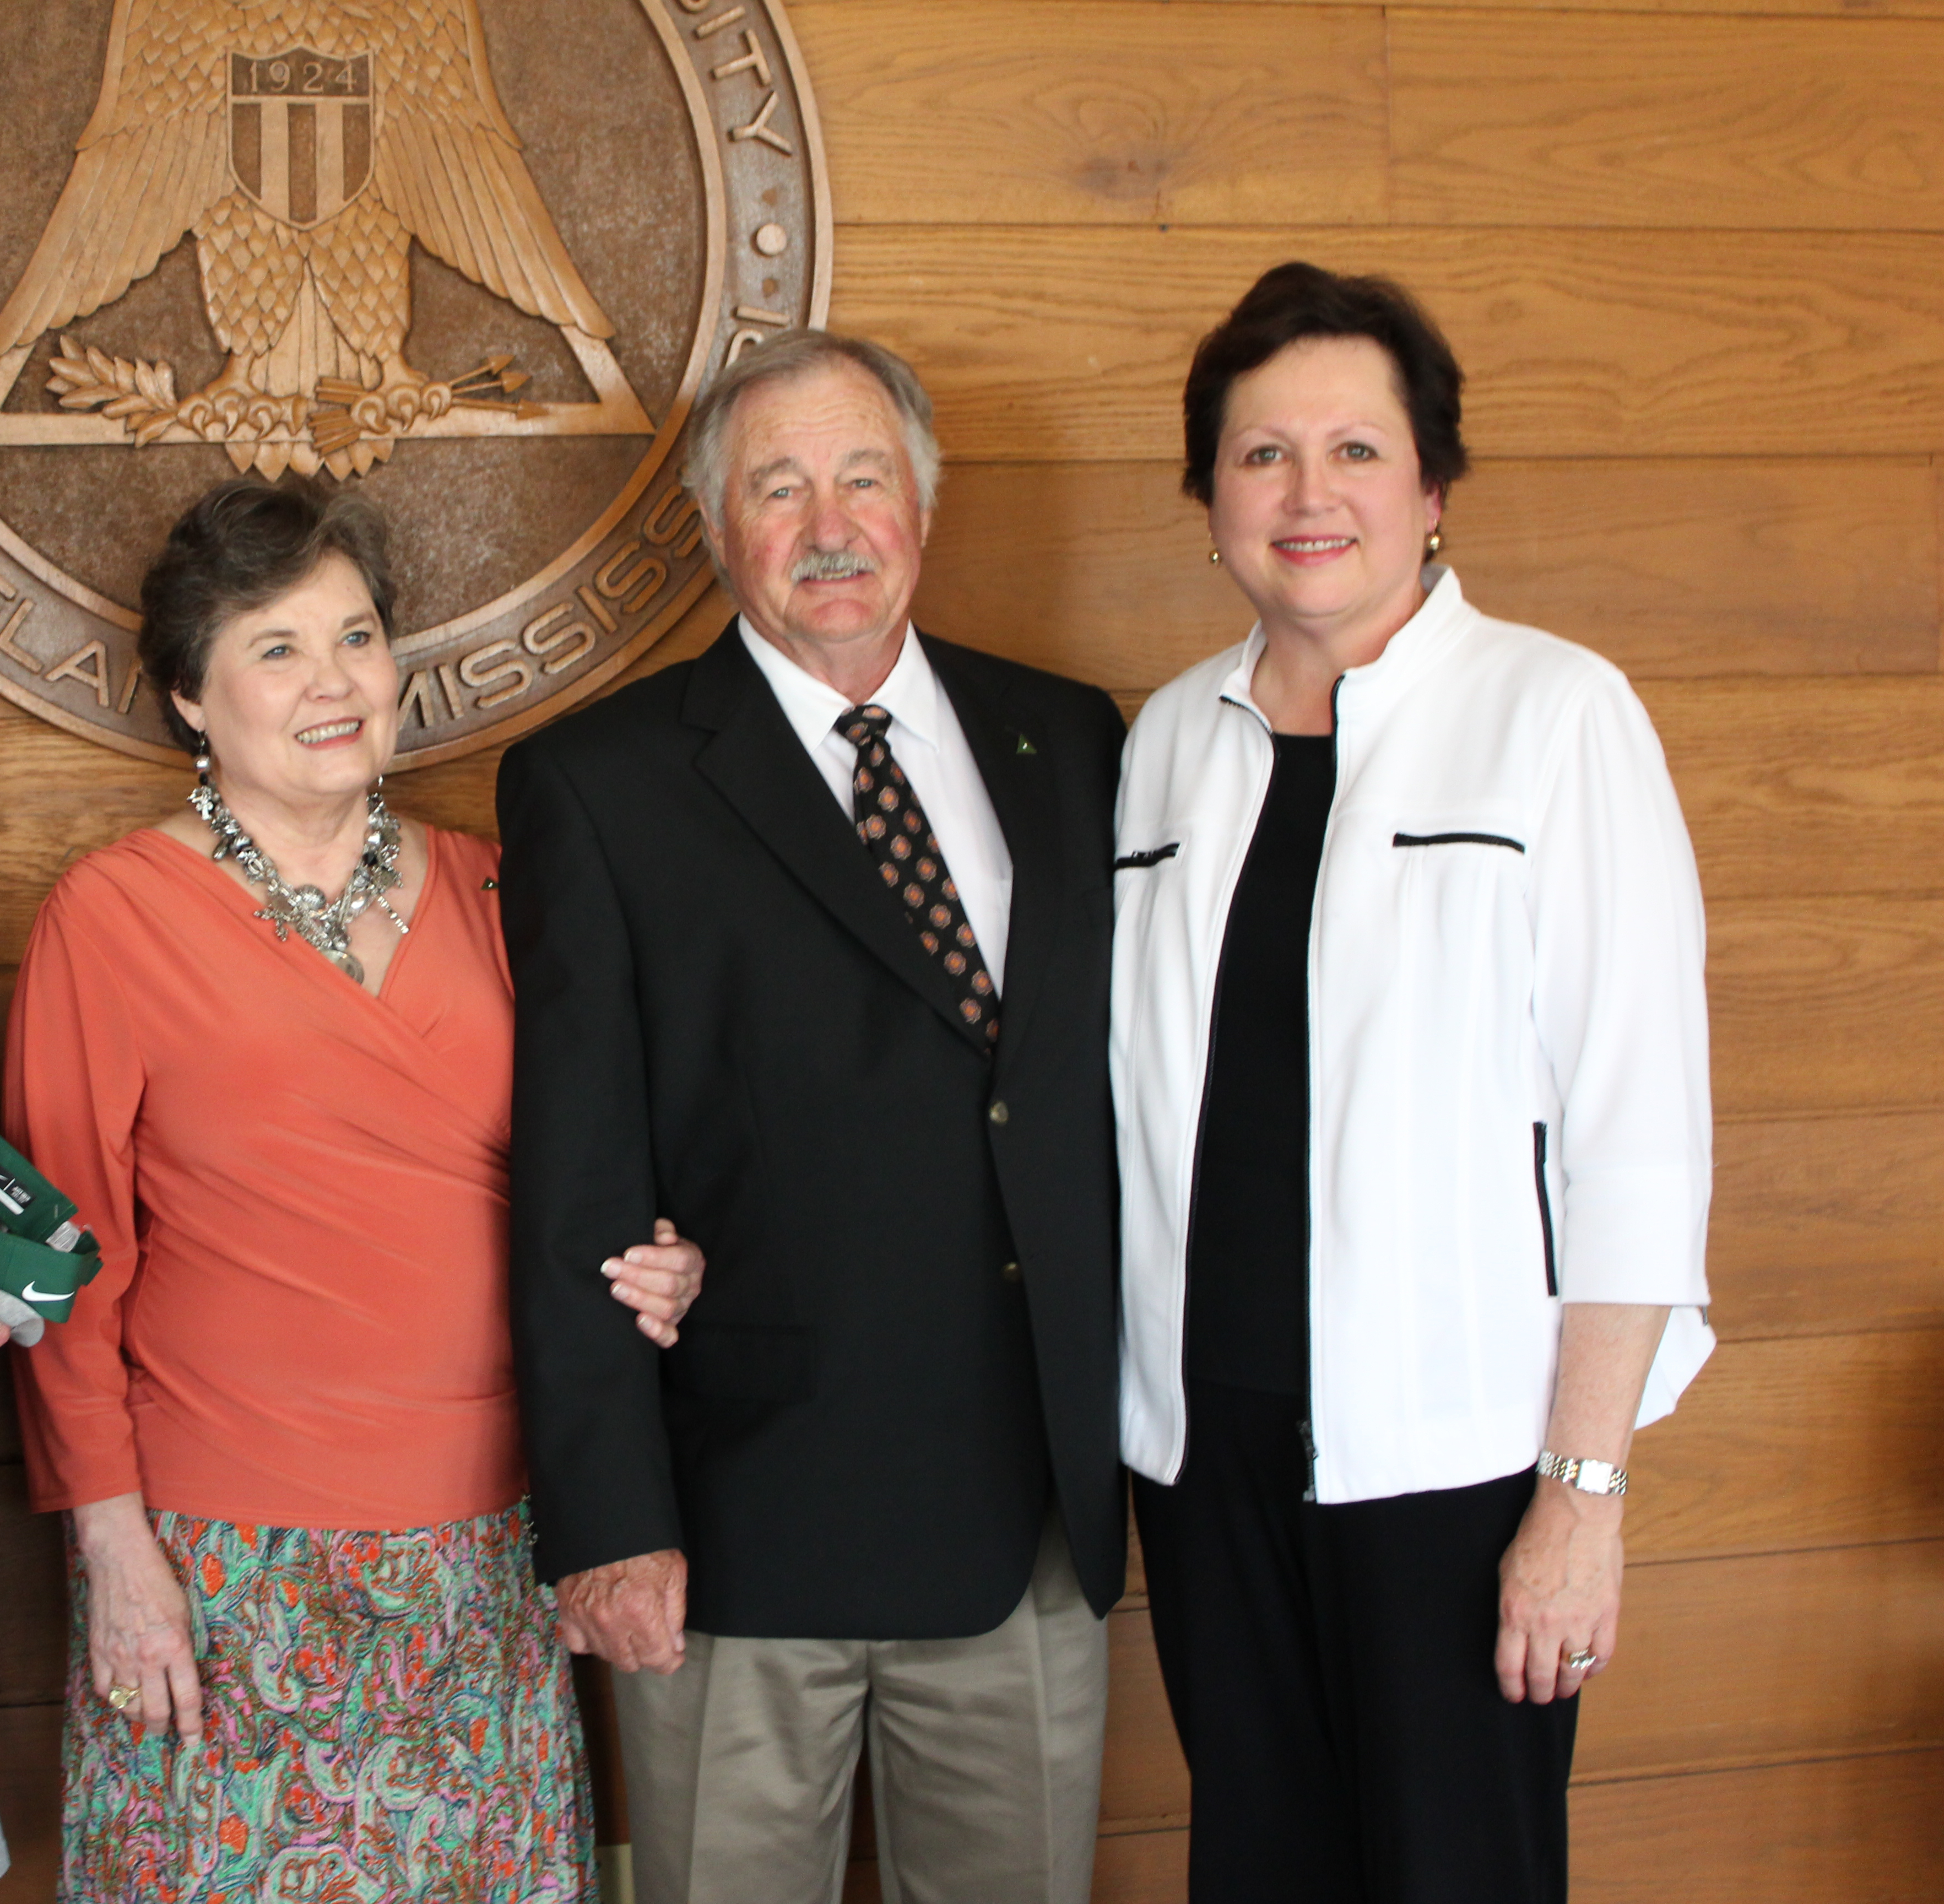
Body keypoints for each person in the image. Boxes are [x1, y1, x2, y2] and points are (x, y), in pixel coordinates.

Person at [2, 479, 705, 1903]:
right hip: (220, 1565)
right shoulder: (113, 914)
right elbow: (60, 1264)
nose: (334, 683)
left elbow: (609, 1176)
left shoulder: (510, 891)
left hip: (495, 1549)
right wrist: (110, 1542)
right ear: (191, 697)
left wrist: (665, 1259)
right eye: (276, 647)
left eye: (360, 636)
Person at [496, 329, 1130, 1904]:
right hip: (737, 1541)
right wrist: (610, 1521)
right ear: (716, 528)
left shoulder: (1076, 742)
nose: (829, 525)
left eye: (863, 477)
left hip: (1027, 1532)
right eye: (778, 488)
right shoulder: (601, 783)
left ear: (922, 499)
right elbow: (580, 1173)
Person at [1112, 261, 1715, 1902]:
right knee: (1257, 1869)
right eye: (1260, 456)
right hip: (1204, 1449)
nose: (1309, 496)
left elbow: (1640, 1138)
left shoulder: (1557, 715)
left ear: (1433, 488)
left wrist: (1581, 1499)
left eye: (1357, 451)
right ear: (1209, 494)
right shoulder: (1167, 742)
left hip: (1456, 1466)